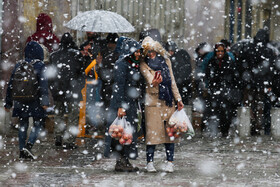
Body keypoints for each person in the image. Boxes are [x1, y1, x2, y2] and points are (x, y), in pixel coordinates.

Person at [140, 36, 184, 173]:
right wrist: (154, 82)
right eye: (148, 51)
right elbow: (149, 79)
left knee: (170, 133)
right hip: (152, 102)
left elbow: (172, 81)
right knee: (151, 135)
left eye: (152, 50)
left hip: (168, 101)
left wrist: (178, 99)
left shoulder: (166, 61)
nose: (150, 54)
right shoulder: (143, 63)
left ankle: (170, 162)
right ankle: (149, 162)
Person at [104, 36, 143, 172]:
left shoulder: (132, 63)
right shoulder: (122, 64)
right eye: (136, 51)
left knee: (127, 132)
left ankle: (125, 161)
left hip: (130, 103)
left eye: (139, 51)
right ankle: (120, 162)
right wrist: (120, 106)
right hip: (122, 103)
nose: (138, 54)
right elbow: (119, 86)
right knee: (119, 132)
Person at [4, 41, 49, 159]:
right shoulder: (40, 65)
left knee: (23, 124)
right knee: (38, 124)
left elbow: (11, 85)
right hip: (35, 99)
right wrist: (44, 102)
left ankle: (21, 151)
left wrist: (8, 103)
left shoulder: (19, 64)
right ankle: (28, 147)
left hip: (20, 99)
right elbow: (43, 85)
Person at [48, 32, 85, 149]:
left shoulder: (53, 56)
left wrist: (53, 88)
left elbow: (50, 75)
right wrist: (79, 86)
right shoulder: (77, 55)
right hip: (73, 91)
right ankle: (69, 140)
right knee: (73, 116)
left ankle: (58, 137)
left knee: (59, 114)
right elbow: (81, 74)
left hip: (58, 90)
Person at [239, 28, 276, 135]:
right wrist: (268, 82)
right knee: (263, 106)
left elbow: (242, 65)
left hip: (250, 82)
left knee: (251, 105)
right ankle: (264, 127)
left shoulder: (248, 48)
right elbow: (271, 69)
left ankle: (252, 127)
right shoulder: (268, 51)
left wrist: (245, 78)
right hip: (262, 83)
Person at [204, 42, 239, 137]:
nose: (220, 53)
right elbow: (208, 75)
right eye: (218, 51)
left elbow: (233, 76)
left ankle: (224, 130)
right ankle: (216, 129)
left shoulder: (229, 61)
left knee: (226, 112)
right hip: (215, 90)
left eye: (221, 51)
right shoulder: (212, 61)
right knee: (215, 110)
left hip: (226, 90)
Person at [165, 40, 192, 105]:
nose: (170, 53)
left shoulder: (180, 56)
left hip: (182, 83)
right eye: (169, 51)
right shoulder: (169, 58)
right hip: (176, 83)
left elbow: (186, 70)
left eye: (172, 51)